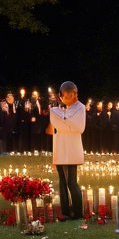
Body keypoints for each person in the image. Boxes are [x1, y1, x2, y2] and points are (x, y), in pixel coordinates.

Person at [47, 80, 86, 220]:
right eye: (66, 96)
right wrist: (63, 120)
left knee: (71, 182)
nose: (69, 99)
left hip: (72, 150)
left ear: (75, 94)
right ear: (61, 96)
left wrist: (63, 120)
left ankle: (77, 211)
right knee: (62, 182)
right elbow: (56, 126)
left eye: (72, 95)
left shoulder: (80, 108)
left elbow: (79, 128)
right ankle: (65, 211)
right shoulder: (59, 110)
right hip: (60, 149)